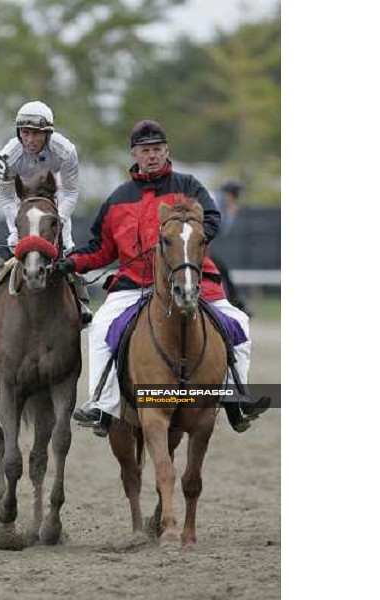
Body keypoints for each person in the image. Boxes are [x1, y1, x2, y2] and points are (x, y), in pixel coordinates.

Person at [55, 119, 258, 435]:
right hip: (133, 284)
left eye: (157, 149)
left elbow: (211, 222)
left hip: (191, 279)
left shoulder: (189, 186)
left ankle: (236, 399)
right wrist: (73, 263)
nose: (152, 155)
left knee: (239, 324)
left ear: (167, 151)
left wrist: (183, 241)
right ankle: (101, 405)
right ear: (134, 154)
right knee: (100, 329)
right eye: (145, 150)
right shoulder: (118, 198)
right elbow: (101, 247)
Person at [0, 100, 92, 324]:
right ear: (18, 132)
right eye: (25, 133)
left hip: (54, 206)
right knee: (12, 245)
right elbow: (5, 195)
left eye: (36, 134)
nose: (30, 140)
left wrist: (56, 221)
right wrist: (16, 227)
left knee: (67, 252)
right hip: (21, 208)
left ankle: (81, 302)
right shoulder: (6, 156)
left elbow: (70, 192)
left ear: (48, 133)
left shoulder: (66, 151)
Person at [210, 180, 251, 314]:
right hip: (199, 249)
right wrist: (231, 213)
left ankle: (235, 303)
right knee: (223, 272)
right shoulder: (217, 202)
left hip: (202, 248)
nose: (236, 199)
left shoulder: (215, 199)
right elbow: (221, 229)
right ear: (229, 194)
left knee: (223, 271)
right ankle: (233, 304)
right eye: (235, 195)